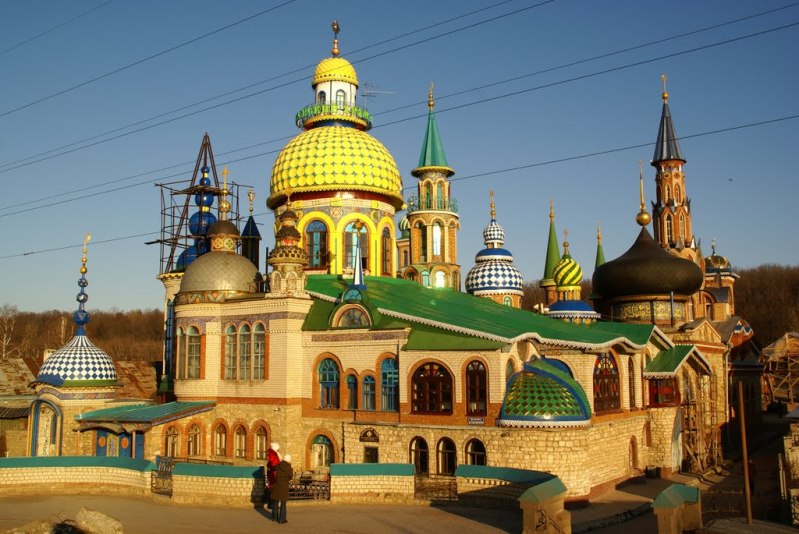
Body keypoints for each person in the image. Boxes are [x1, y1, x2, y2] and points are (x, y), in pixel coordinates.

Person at [272, 453, 293, 524]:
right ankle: (282, 519)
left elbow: (273, 470)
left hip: (276, 486)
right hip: (284, 487)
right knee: (283, 504)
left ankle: (274, 517)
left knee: (275, 502)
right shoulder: (289, 468)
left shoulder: (278, 465)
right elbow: (290, 476)